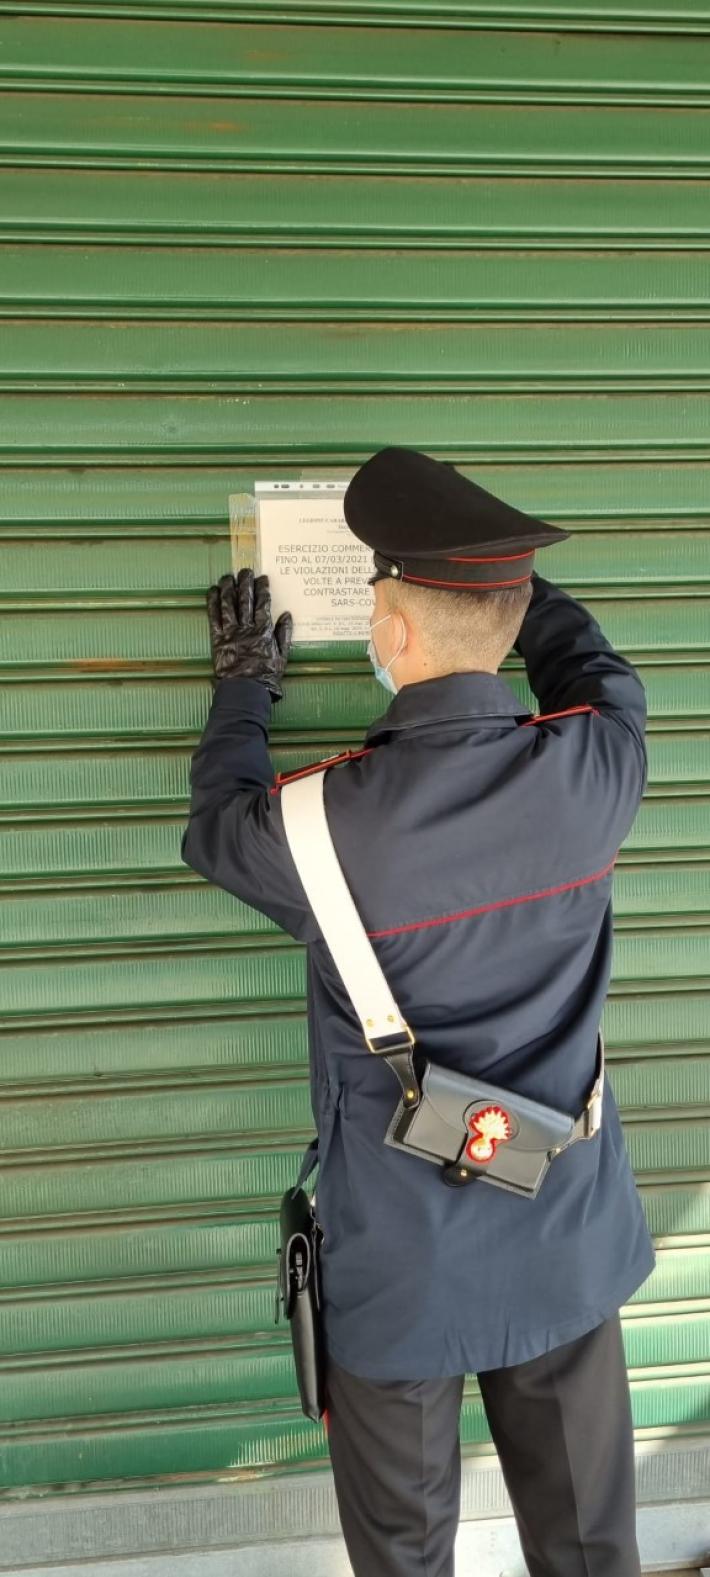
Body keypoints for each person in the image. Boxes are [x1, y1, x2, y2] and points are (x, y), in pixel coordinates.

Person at [181, 446, 656, 1577]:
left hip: (398, 1263)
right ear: (509, 611)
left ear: (388, 635)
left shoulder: (312, 828)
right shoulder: (597, 763)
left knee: (402, 1555)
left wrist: (245, 679)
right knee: (591, 1547)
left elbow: (214, 823)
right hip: (560, 1232)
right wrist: (502, 588)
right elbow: (591, 663)